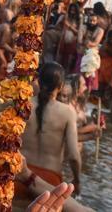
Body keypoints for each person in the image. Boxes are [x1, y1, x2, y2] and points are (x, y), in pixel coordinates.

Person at [19, 62, 81, 198]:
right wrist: (77, 180)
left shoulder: (22, 105)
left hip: (19, 175)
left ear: (39, 81)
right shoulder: (68, 112)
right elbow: (74, 156)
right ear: (60, 86)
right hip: (49, 182)